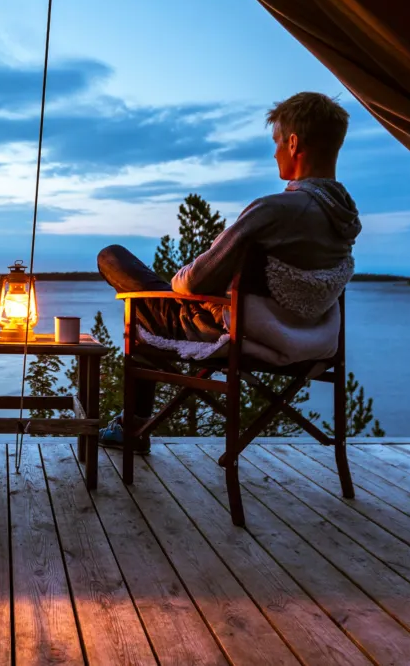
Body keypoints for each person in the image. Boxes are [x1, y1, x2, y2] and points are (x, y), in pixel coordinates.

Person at [97, 91, 362, 450]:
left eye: (277, 142)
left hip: (233, 333)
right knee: (149, 309)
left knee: (116, 264)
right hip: (310, 340)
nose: (274, 153)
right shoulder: (343, 222)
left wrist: (178, 280)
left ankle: (133, 427)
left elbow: (192, 282)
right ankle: (134, 425)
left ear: (294, 143)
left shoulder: (275, 210)